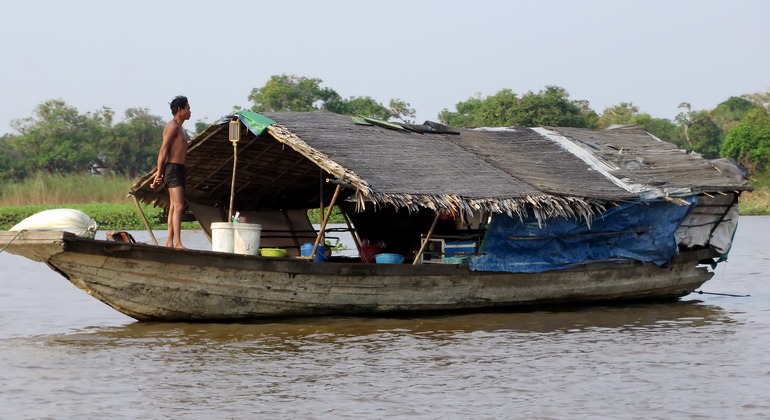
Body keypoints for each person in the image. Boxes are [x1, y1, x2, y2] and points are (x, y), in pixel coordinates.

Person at [151, 95, 191, 249]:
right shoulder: (172, 126)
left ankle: (169, 242)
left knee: (174, 206)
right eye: (187, 108)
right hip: (172, 169)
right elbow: (163, 150)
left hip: (179, 169)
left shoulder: (179, 127)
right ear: (180, 110)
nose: (190, 111)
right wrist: (159, 173)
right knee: (179, 206)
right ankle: (178, 242)